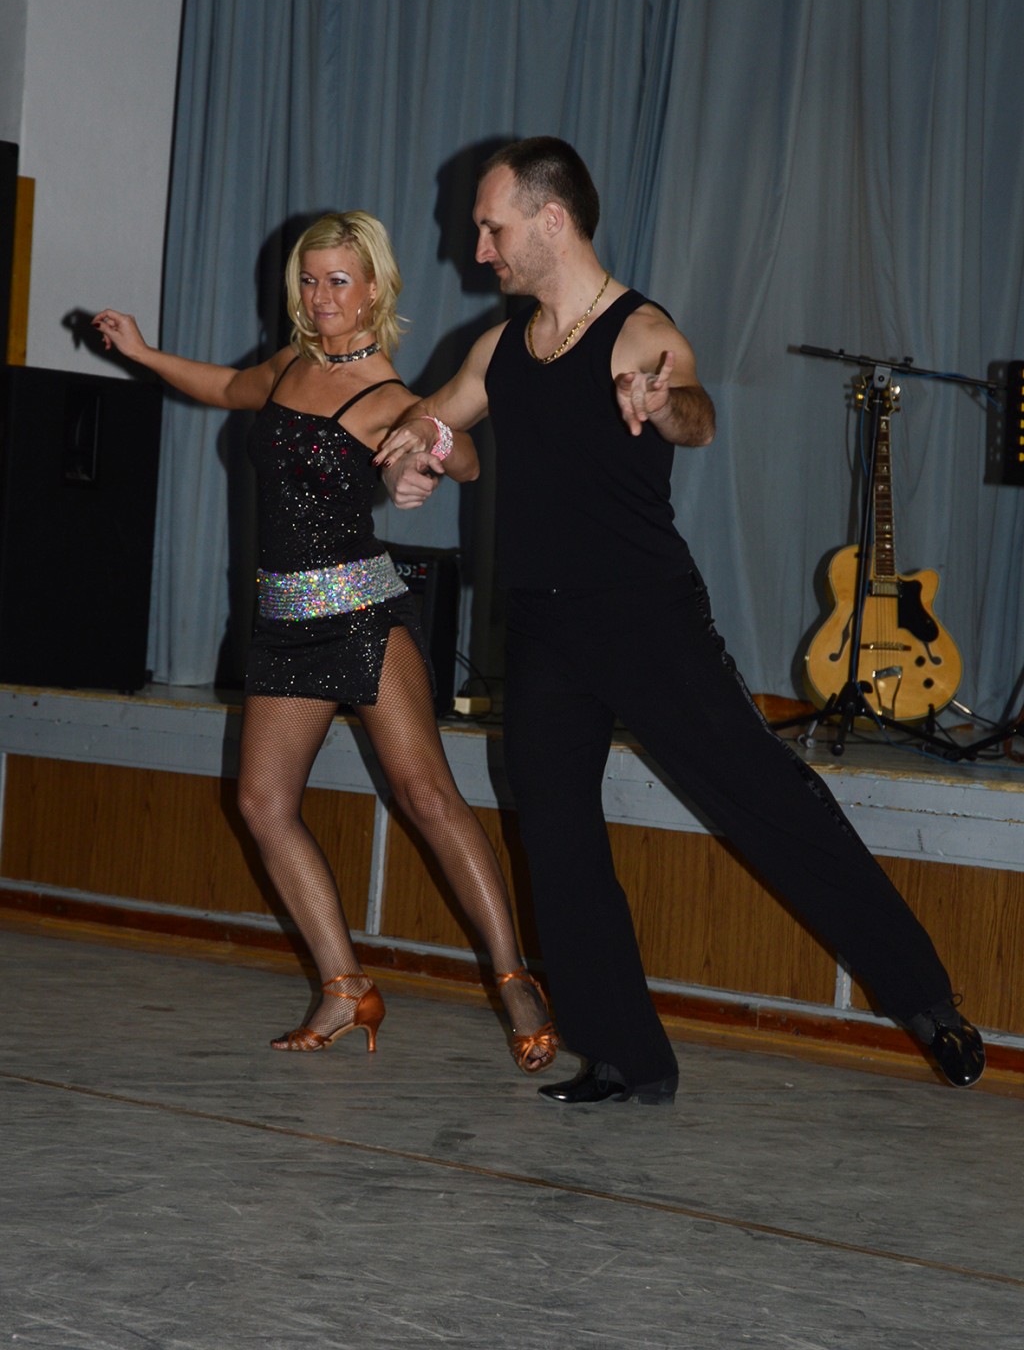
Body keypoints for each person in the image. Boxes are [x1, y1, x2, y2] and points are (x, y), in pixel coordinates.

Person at [376, 137, 986, 1105]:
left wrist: (662, 404)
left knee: (767, 799)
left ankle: (924, 998)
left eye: (492, 228)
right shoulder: (500, 348)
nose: (478, 248)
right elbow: (437, 414)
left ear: (550, 220)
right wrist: (417, 445)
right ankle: (625, 1055)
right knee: (557, 831)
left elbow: (694, 410)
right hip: (540, 627)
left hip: (645, 616)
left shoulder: (640, 331)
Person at [92, 210, 557, 1074]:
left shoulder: (388, 400)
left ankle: (513, 976)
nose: (321, 297)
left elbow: (462, 460)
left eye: (338, 280)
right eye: (309, 281)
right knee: (263, 805)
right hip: (284, 623)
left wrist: (425, 454)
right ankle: (346, 986)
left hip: (361, 614)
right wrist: (144, 354)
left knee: (425, 796)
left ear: (375, 288)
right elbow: (225, 388)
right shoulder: (289, 365)